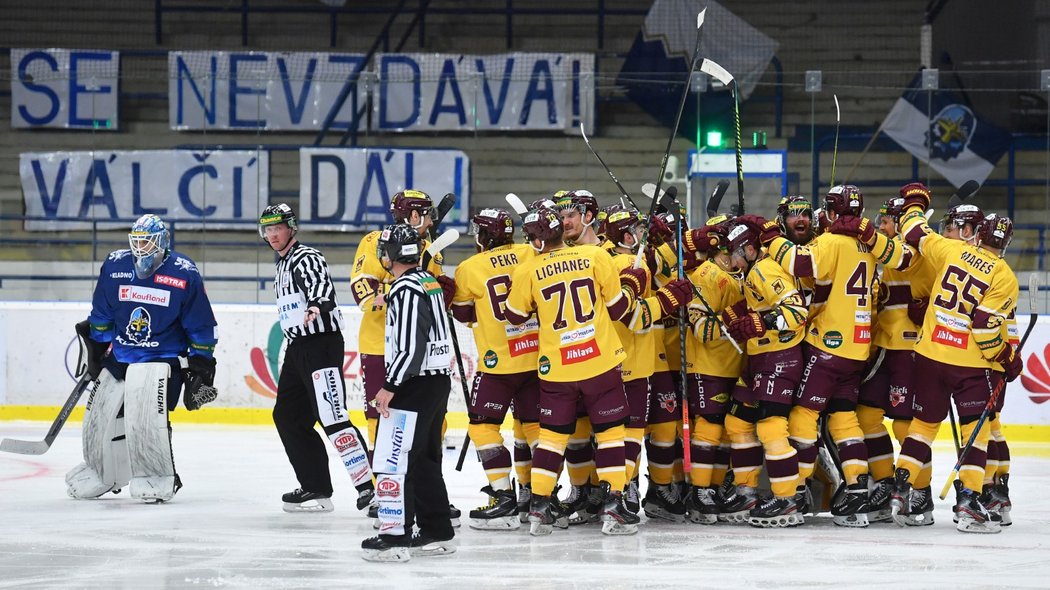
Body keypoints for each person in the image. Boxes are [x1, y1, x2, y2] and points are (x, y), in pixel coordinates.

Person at [504, 205, 692, 536]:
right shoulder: (595, 257)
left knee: (550, 439)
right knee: (610, 436)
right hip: (600, 362)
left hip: (557, 367)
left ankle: (539, 507)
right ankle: (614, 506)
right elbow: (620, 309)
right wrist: (636, 290)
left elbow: (515, 316)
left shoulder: (529, 269)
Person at [871, 187, 1020, 534]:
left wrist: (915, 203)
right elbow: (985, 327)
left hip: (927, 355)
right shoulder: (1004, 277)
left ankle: (901, 488)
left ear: (977, 233)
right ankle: (970, 500)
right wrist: (1007, 358)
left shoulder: (949, 250)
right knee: (977, 431)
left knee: (922, 427)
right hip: (967, 364)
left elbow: (913, 230)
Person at [66, 214, 218, 503]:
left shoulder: (184, 272)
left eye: (148, 241)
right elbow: (103, 312)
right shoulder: (115, 266)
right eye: (137, 241)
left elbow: (200, 323)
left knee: (147, 419)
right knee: (98, 418)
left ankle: (159, 474)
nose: (142, 247)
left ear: (162, 241)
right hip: (121, 355)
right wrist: (97, 346)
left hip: (162, 359)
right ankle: (101, 471)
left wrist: (201, 362)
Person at [259, 203, 375, 514]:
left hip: (320, 344)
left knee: (332, 416)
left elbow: (319, 285)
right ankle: (316, 487)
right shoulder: (281, 264)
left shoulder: (305, 256)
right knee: (288, 416)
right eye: (267, 229)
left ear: (291, 228)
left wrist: (317, 304)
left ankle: (370, 488)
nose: (272, 234)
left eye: (277, 228)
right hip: (298, 348)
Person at [362, 223, 456, 562]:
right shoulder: (426, 282)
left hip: (414, 383)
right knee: (425, 458)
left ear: (388, 255)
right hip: (436, 381)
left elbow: (409, 347)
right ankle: (437, 531)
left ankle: (395, 536)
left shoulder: (405, 289)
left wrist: (389, 386)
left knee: (393, 458)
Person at [450, 207, 540, 531]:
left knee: (483, 427)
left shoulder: (469, 267)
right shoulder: (530, 252)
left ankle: (504, 499)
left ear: (485, 235)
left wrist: (448, 293)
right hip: (537, 358)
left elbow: (461, 313)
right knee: (535, 428)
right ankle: (538, 497)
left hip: (498, 363)